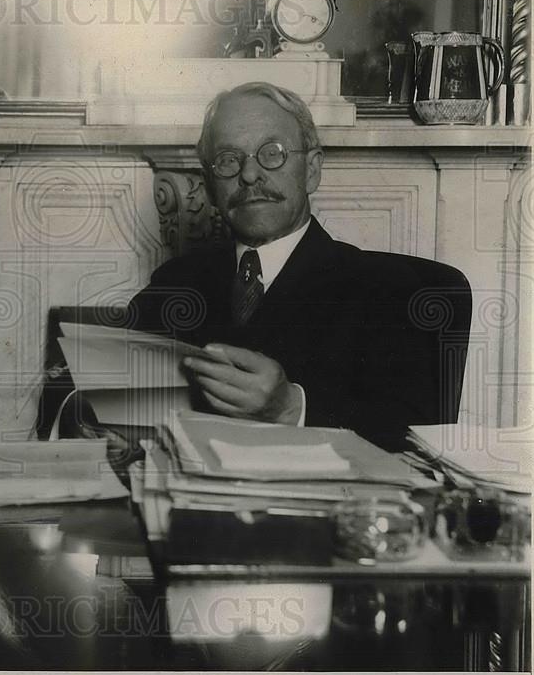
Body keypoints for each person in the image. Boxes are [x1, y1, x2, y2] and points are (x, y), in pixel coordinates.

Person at [127, 81, 446, 435]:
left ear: (311, 170)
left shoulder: (388, 289)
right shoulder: (174, 282)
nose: (249, 175)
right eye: (228, 160)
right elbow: (109, 386)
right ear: (209, 185)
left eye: (272, 152)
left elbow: (418, 434)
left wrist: (292, 409)